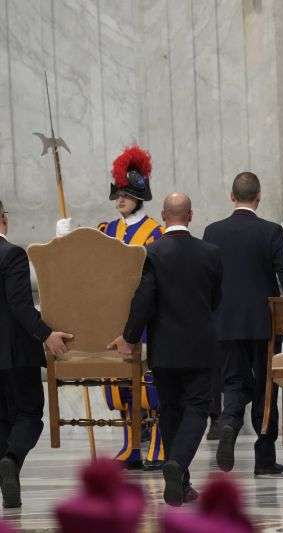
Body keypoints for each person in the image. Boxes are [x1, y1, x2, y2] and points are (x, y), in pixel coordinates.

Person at [109, 193, 223, 506]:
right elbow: (216, 298)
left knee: (170, 411)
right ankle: (177, 465)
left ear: (163, 215)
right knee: (198, 408)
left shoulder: (152, 253)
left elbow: (143, 300)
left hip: (165, 349)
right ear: (190, 215)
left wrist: (129, 338)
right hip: (200, 346)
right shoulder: (211, 253)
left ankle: (181, 484)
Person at [203, 172, 283, 477]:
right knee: (265, 386)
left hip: (224, 322)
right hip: (264, 322)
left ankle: (230, 420)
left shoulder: (212, 232)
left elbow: (208, 278)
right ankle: (264, 456)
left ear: (232, 197)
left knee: (233, 380)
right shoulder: (271, 231)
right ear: (258, 197)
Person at [88, 145, 166, 470]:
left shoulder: (155, 232)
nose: (119, 199)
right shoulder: (105, 230)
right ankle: (131, 444)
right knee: (120, 386)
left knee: (149, 384)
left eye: (125, 194)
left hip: (144, 317)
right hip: (113, 316)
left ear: (138, 195)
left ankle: (158, 443)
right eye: (117, 194)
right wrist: (66, 239)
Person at [0, 200, 72, 508]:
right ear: (3, 218)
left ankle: (7, 471)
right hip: (16, 354)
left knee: (2, 420)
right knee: (29, 414)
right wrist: (46, 334)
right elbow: (20, 305)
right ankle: (12, 461)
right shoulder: (12, 254)